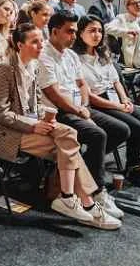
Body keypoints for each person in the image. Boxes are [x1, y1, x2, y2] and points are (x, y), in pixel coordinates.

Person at [0, 22, 120, 227]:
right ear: (20, 45)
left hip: (28, 124)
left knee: (68, 136)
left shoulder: (33, 66)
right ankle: (85, 202)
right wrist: (33, 125)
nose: (41, 45)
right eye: (35, 42)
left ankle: (71, 198)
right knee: (69, 146)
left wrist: (47, 116)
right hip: (2, 132)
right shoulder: (3, 69)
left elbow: (36, 104)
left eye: (41, 41)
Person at [37, 11, 123, 197]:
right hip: (58, 112)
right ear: (54, 32)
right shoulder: (44, 56)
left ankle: (80, 168)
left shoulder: (71, 55)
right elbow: (54, 95)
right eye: (70, 31)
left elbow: (82, 84)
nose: (74, 36)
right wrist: (79, 111)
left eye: (75, 32)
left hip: (79, 108)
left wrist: (84, 107)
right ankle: (96, 190)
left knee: (121, 130)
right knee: (98, 135)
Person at [74, 15, 140, 189]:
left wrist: (125, 99)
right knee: (136, 127)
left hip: (115, 97)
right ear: (80, 33)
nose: (97, 35)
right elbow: (89, 95)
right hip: (98, 102)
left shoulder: (103, 53)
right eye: (92, 31)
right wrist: (118, 106)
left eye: (99, 31)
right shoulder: (76, 58)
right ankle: (133, 168)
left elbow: (116, 81)